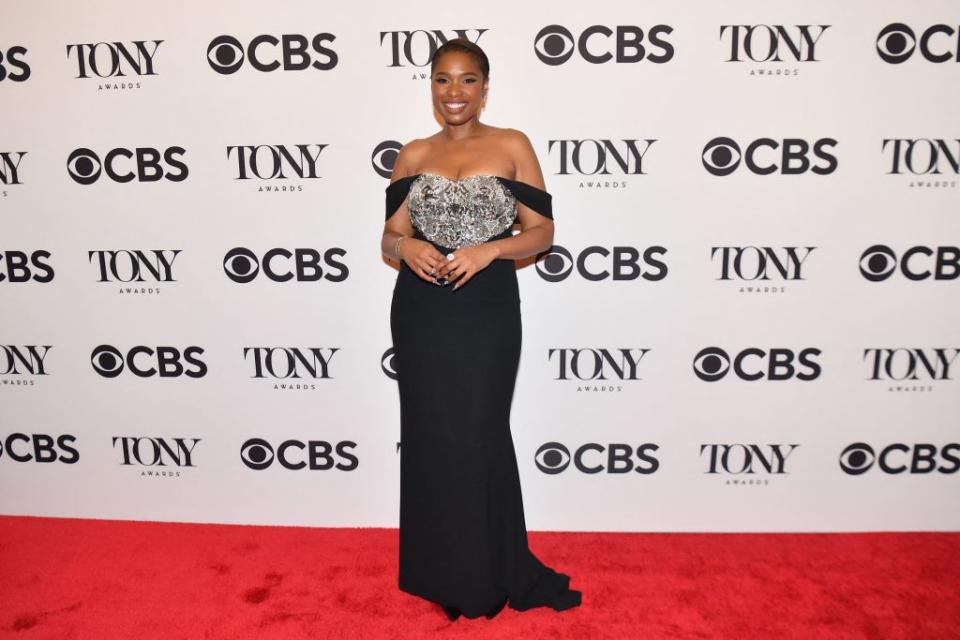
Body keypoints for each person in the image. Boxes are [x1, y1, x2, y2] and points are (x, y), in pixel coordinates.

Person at [380, 38, 582, 621]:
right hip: (421, 308)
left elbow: (542, 234)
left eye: (468, 80)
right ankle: (439, 570)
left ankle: (488, 570)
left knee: (478, 432)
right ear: (431, 86)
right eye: (443, 80)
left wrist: (489, 251)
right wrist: (407, 244)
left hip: (486, 306)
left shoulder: (512, 143)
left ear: (485, 87)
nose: (455, 92)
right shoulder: (413, 154)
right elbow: (387, 238)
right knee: (430, 435)